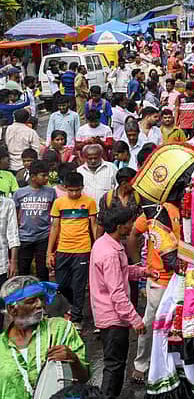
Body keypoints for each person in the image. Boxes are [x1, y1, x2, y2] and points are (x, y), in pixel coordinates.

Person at [89, 206, 148, 398]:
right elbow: (117, 293)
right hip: (113, 317)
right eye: (129, 223)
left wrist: (141, 271)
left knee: (114, 363)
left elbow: (120, 273)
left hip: (106, 313)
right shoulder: (110, 253)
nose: (132, 226)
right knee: (115, 366)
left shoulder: (104, 243)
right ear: (120, 226)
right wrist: (135, 319)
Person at [0, 276, 90, 399]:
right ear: (12, 309)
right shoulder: (1, 346)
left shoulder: (60, 329)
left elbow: (84, 378)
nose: (40, 304)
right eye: (31, 301)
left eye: (41, 298)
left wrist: (74, 360)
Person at [47, 171, 100, 328]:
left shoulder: (89, 202)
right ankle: (70, 308)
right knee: (62, 284)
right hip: (63, 249)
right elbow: (55, 227)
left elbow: (94, 226)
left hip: (83, 249)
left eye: (77, 190)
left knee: (79, 285)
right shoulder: (59, 203)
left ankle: (76, 318)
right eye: (71, 190)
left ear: (82, 188)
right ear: (65, 188)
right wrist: (49, 252)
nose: (74, 193)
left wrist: (97, 248)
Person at [13, 160, 54, 282]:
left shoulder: (51, 192)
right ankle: (24, 298)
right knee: (23, 270)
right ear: (33, 177)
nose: (46, 178)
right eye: (43, 175)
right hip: (24, 236)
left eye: (47, 175)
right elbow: (15, 214)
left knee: (43, 271)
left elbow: (53, 213)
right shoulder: (19, 193)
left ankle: (44, 298)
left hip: (44, 236)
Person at [4, 109, 40, 173]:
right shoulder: (31, 132)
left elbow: (6, 144)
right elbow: (36, 151)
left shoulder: (8, 129)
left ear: (14, 118)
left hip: (10, 165)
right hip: (25, 167)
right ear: (28, 119)